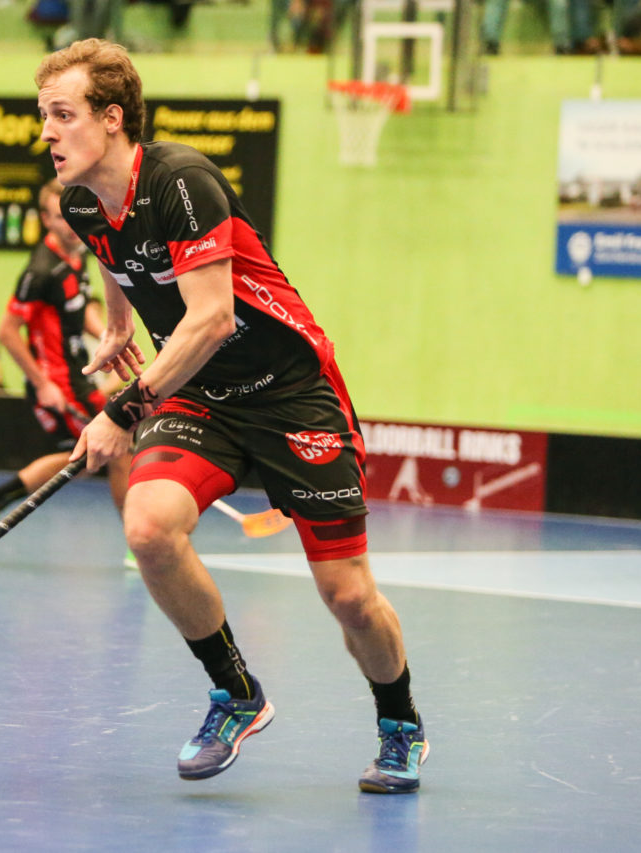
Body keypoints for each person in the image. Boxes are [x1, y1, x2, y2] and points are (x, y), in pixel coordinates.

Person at [35, 39, 427, 793]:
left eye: (62, 115)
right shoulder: (83, 198)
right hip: (201, 396)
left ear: (113, 119)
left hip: (290, 391)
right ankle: (236, 693)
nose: (46, 133)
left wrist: (122, 408)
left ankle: (401, 721)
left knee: (347, 593)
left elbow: (211, 318)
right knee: (148, 526)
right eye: (42, 116)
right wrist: (119, 322)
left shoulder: (182, 181)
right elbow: (113, 254)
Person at [0, 178, 130, 560]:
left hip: (76, 376)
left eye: (71, 215)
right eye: (58, 217)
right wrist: (42, 383)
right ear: (44, 220)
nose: (68, 224)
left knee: (87, 459)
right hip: (56, 383)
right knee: (118, 448)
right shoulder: (40, 270)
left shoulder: (78, 253)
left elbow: (79, 308)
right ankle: (140, 541)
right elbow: (6, 331)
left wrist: (108, 336)